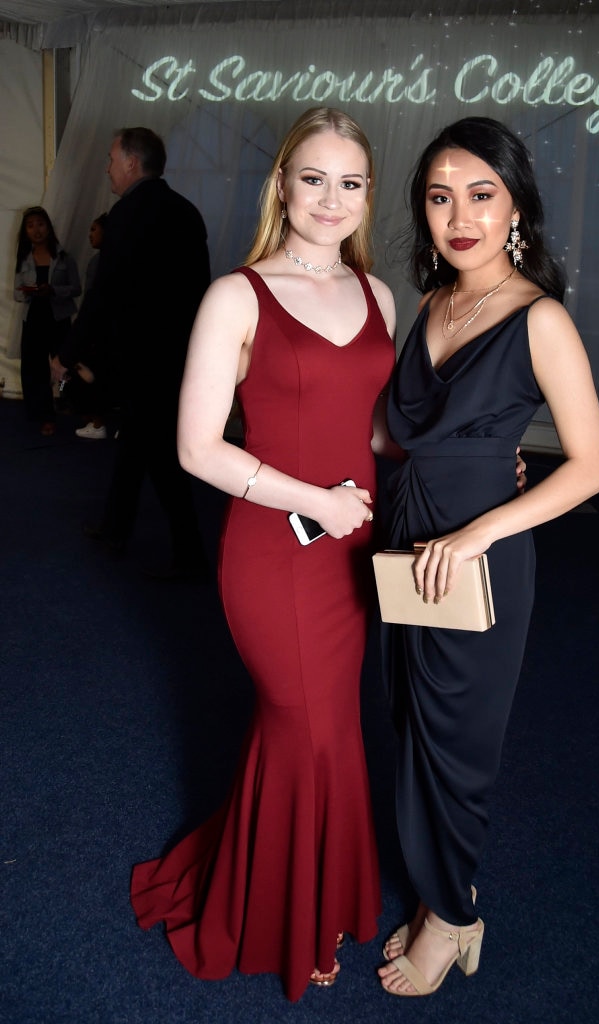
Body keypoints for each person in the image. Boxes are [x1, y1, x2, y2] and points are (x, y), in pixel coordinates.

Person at [128, 108, 397, 1000]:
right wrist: (313, 499)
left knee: (330, 728)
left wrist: (466, 458)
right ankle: (285, 915)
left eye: (350, 182)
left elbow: (373, 431)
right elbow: (197, 448)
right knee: (304, 727)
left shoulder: (379, 296)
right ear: (281, 183)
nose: (331, 198)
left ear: (368, 193)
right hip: (272, 555)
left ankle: (301, 893)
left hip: (350, 557)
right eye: (313, 177)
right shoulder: (235, 295)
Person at [377, 116, 599, 997]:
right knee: (410, 729)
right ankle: (446, 888)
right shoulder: (433, 305)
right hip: (406, 539)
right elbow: (393, 431)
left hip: (478, 554)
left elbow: (593, 467)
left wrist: (483, 526)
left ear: (516, 207)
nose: (459, 216)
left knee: (458, 744)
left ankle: (453, 919)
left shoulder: (539, 317)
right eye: (441, 197)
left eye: (482, 195)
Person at [53, 128, 211, 578]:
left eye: (110, 158)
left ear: (131, 164)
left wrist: (68, 353)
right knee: (140, 445)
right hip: (176, 355)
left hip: (143, 360)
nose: (107, 167)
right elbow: (198, 293)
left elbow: (105, 296)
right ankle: (116, 528)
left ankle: (189, 554)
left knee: (158, 453)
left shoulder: (127, 215)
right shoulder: (185, 212)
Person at [14, 206, 81, 436]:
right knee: (34, 369)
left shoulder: (64, 256)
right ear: (25, 231)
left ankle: (65, 398)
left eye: (40, 224)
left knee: (64, 368)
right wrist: (28, 291)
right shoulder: (24, 258)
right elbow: (16, 293)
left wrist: (53, 290)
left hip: (58, 319)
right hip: (33, 319)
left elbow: (76, 288)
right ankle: (44, 414)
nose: (36, 230)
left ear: (48, 227)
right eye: (30, 225)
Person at [74, 213, 110, 440]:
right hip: (106, 326)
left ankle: (98, 423)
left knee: (97, 374)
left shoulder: (101, 262)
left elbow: (92, 298)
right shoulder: (104, 260)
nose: (90, 235)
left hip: (99, 328)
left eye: (94, 230)